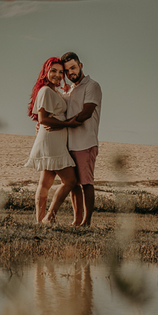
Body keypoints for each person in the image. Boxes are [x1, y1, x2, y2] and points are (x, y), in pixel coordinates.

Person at [23, 57, 82, 224]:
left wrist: (65, 89)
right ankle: (49, 217)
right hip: (52, 141)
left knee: (45, 183)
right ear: (46, 72)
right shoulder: (46, 91)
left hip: (53, 140)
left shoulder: (53, 91)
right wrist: (67, 124)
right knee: (70, 180)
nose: (57, 74)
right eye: (53, 71)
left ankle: (40, 220)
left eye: (61, 72)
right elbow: (43, 119)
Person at [53, 51, 101, 226]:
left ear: (80, 66)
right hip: (70, 144)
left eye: (73, 68)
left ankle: (87, 222)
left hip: (86, 143)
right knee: (73, 184)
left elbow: (86, 113)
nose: (70, 73)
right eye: (67, 71)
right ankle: (77, 220)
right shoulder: (71, 88)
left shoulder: (92, 85)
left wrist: (64, 125)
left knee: (87, 183)